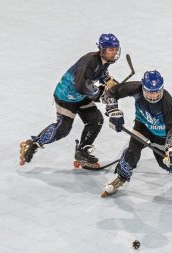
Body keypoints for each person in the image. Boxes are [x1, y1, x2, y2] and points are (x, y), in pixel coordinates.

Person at [19, 33, 121, 168]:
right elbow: (81, 85)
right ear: (102, 49)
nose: (114, 52)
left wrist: (108, 81)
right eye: (110, 49)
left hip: (79, 96)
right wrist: (99, 93)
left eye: (115, 49)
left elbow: (100, 73)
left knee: (95, 120)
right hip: (66, 96)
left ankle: (82, 152)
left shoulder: (103, 61)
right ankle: (32, 144)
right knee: (63, 128)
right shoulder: (90, 60)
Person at [101, 70, 172, 197]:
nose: (153, 96)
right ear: (143, 87)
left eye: (156, 92)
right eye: (149, 92)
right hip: (142, 125)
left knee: (167, 165)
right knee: (132, 151)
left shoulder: (167, 101)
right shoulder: (136, 88)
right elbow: (112, 92)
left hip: (160, 134)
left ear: (162, 89)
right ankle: (121, 177)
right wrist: (113, 109)